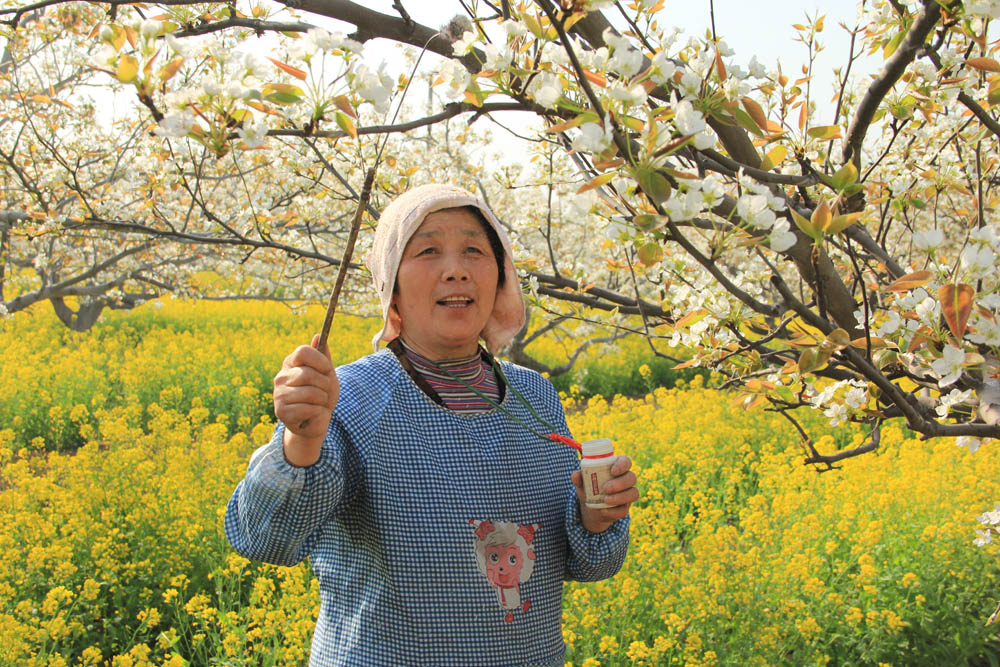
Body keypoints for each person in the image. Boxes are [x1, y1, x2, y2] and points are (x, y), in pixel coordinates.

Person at [225, 184, 639, 666]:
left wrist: (597, 517)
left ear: (500, 274)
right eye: (427, 250)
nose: (456, 269)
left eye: (474, 250)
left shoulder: (535, 396)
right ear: (391, 283)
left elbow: (585, 564)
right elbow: (266, 540)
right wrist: (301, 439)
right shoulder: (351, 396)